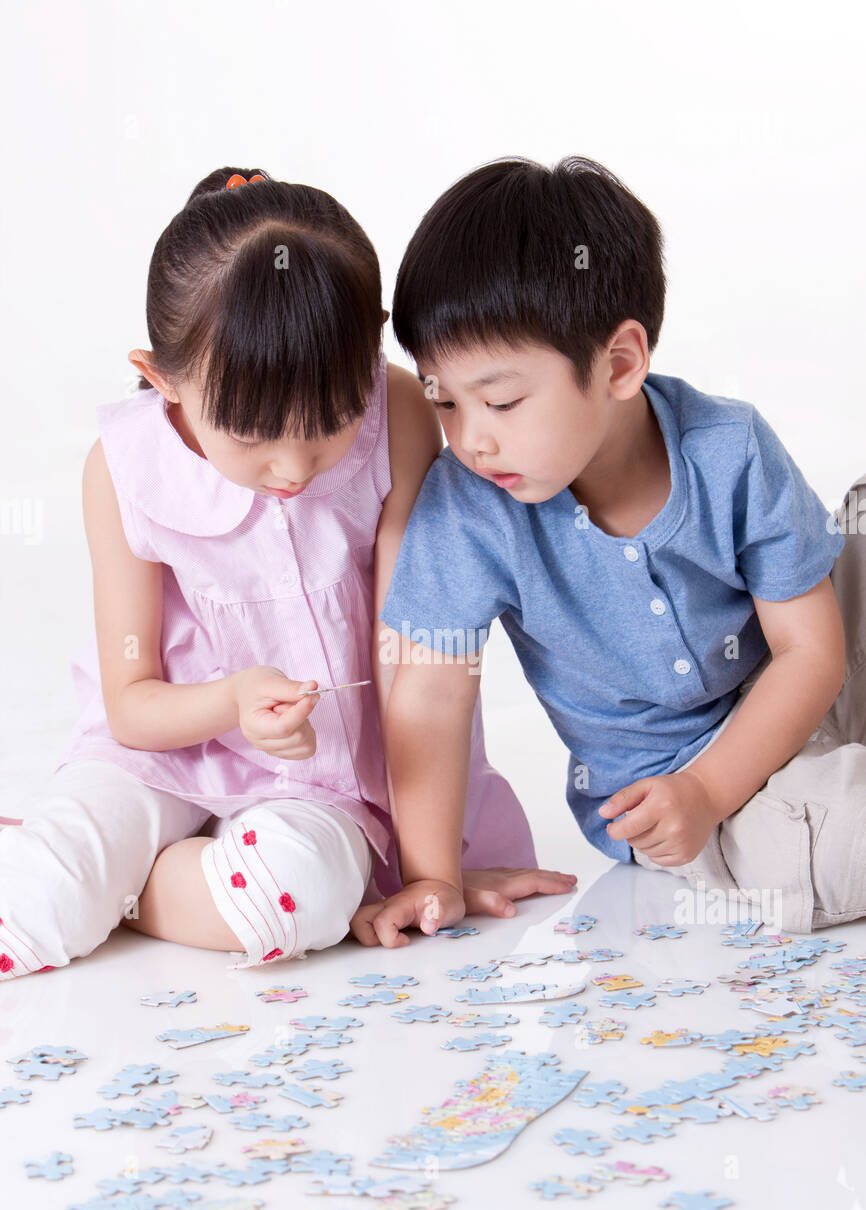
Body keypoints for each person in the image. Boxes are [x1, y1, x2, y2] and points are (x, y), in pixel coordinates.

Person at [0, 166, 575, 982]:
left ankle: (121, 878)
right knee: (32, 912)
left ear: (369, 348)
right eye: (253, 433)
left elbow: (412, 653)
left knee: (300, 898)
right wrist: (231, 703)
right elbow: (130, 706)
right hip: (159, 752)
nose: (294, 466)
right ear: (162, 379)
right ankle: (89, 863)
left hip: (322, 777)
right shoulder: (122, 466)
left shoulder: (401, 410)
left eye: (331, 421)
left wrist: (426, 872)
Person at [363, 154, 866, 941]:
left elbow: (812, 652)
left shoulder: (726, 446)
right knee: (820, 852)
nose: (471, 439)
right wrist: (431, 874)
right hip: (682, 795)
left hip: (817, 676)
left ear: (620, 364)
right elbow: (429, 696)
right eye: (444, 401)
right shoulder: (467, 511)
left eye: (499, 400)